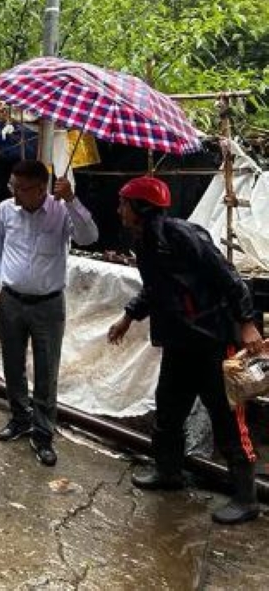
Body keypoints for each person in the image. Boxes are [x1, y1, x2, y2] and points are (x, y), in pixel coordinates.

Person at [107, 176, 263, 525]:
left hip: (211, 342)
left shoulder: (182, 235)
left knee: (227, 420)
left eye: (124, 203)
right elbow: (157, 289)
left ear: (140, 208)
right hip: (180, 343)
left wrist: (247, 322)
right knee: (168, 411)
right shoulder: (145, 242)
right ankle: (169, 472)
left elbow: (229, 278)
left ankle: (245, 497)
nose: (119, 210)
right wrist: (129, 316)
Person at [0, 160, 98, 466]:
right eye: (13, 186)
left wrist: (72, 199)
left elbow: (89, 237)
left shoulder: (61, 211)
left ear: (41, 189)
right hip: (11, 300)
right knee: (12, 362)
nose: (15, 193)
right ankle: (20, 418)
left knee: (47, 370)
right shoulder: (6, 210)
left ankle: (43, 433)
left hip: (48, 304)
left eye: (22, 188)